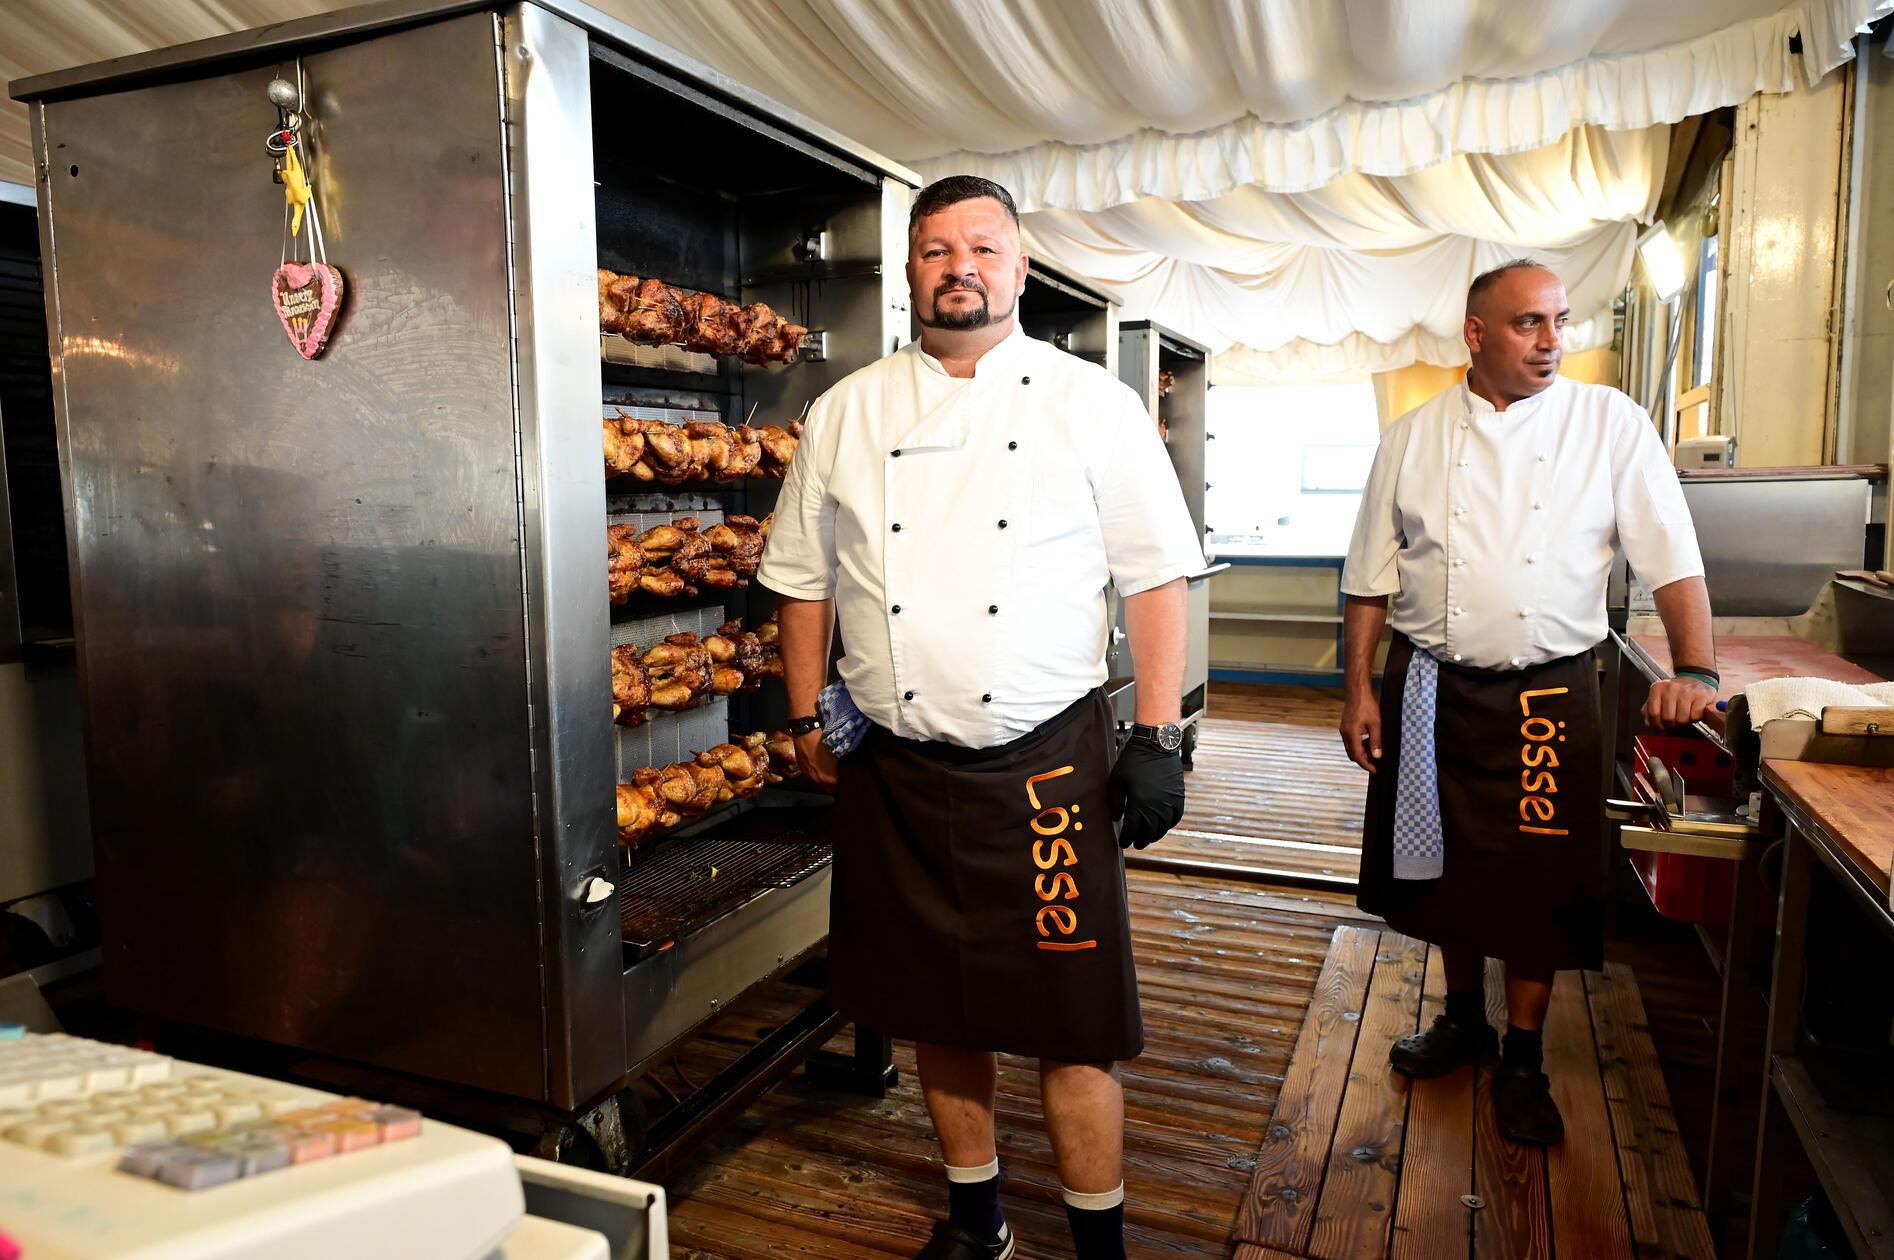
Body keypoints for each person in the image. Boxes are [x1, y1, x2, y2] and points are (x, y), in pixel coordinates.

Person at [757, 174, 1203, 1260]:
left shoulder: (1087, 400)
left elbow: (1154, 577)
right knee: (934, 1010)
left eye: (984, 248)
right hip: (895, 769)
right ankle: (978, 1221)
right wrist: (808, 714)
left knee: (1071, 1023)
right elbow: (801, 580)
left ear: (1019, 266)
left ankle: (1099, 1245)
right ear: (909, 271)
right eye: (935, 249)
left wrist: (1155, 735)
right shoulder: (846, 410)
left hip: (1045, 764)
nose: (960, 266)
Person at [1337, 259, 1717, 1145]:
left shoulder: (1608, 422)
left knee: (1540, 880)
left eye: (1560, 321)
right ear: (1476, 334)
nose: (1554, 342)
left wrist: (1697, 669)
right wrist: (1358, 688)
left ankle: (1525, 1055)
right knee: (1446, 870)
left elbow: (1672, 554)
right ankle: (1464, 1018)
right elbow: (1367, 577)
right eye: (1530, 325)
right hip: (1428, 683)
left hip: (1551, 689)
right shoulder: (1413, 436)